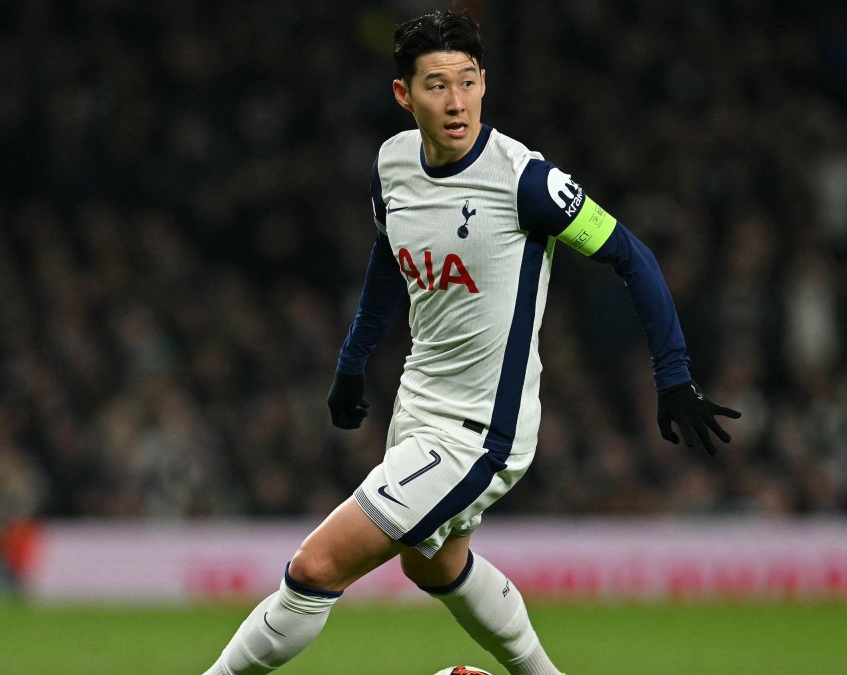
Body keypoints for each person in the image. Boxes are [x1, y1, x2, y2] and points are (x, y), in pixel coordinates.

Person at [202, 9, 740, 675]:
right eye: (436, 85)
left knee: (316, 566)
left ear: (484, 82)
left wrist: (674, 374)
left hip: (480, 431)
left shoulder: (526, 182)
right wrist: (352, 360)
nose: (456, 102)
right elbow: (388, 257)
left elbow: (633, 256)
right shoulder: (392, 166)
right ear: (404, 94)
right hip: (417, 409)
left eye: (467, 81)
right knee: (434, 563)